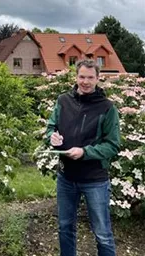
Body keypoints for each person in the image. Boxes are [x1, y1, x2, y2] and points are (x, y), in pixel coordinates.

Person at [46, 59, 121, 256]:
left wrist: (85, 152)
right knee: (65, 227)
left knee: (102, 233)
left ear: (98, 78)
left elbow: (113, 145)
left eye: (90, 77)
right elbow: (51, 127)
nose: (85, 81)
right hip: (66, 178)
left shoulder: (107, 108)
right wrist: (52, 137)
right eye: (82, 77)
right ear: (76, 77)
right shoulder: (63, 101)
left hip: (94, 180)